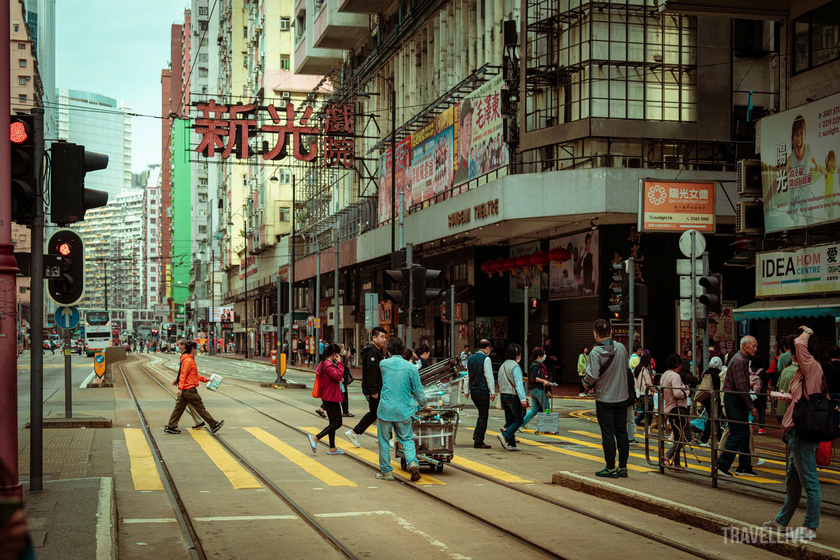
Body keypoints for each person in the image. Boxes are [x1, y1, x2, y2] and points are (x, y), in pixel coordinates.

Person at [763, 327, 826, 540]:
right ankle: (781, 521)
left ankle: (810, 527)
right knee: (793, 480)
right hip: (794, 432)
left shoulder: (811, 366)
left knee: (809, 481)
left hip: (801, 433)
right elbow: (803, 398)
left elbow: (800, 344)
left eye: (793, 350)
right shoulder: (804, 372)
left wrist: (807, 331)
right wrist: (787, 397)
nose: (791, 353)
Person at [375, 337, 430, 481]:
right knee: (407, 440)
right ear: (404, 352)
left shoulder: (383, 364)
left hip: (386, 409)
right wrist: (424, 404)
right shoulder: (411, 368)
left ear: (388, 351)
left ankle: (386, 472)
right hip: (404, 409)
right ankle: (412, 462)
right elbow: (418, 391)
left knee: (384, 441)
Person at [583, 319, 630, 478]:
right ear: (611, 332)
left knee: (608, 434)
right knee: (622, 432)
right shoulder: (621, 348)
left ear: (595, 335)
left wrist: (584, 382)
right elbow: (625, 367)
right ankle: (623, 468)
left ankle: (610, 467)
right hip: (622, 397)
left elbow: (592, 376)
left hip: (604, 399)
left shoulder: (595, 353)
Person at [716, 335, 760, 477]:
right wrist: (752, 406)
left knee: (744, 433)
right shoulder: (740, 361)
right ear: (744, 346)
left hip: (735, 399)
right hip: (734, 400)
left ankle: (744, 466)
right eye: (753, 346)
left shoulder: (741, 359)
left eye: (756, 346)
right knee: (738, 433)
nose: (755, 348)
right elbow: (741, 387)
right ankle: (722, 465)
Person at [164, 342, 224, 434]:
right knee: (200, 408)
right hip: (189, 390)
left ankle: (171, 426)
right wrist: (180, 388)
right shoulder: (188, 361)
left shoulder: (189, 360)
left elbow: (194, 374)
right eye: (195, 349)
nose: (196, 351)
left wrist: (205, 379)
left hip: (186, 389)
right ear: (192, 349)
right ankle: (213, 424)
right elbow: (183, 375)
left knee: (179, 408)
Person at [344, 327, 388, 447]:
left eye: (385, 337)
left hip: (375, 389)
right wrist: (374, 390)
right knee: (381, 413)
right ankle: (355, 432)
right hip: (373, 389)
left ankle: (357, 433)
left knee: (376, 413)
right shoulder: (373, 352)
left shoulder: (377, 351)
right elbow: (372, 372)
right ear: (374, 338)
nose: (384, 340)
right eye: (381, 337)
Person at [307, 344, 345, 455]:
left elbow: (334, 376)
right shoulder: (329, 365)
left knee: (332, 422)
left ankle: (332, 448)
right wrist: (340, 363)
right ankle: (316, 438)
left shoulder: (323, 363)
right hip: (331, 396)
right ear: (334, 354)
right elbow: (338, 376)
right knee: (338, 423)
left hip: (327, 396)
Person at [464, 339, 496, 448]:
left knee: (481, 414)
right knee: (483, 415)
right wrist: (492, 392)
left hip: (473, 391)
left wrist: (466, 390)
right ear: (487, 348)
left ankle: (477, 433)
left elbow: (467, 375)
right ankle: (478, 439)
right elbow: (489, 376)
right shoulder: (486, 359)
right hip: (482, 391)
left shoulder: (470, 358)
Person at [660, 354, 689, 470]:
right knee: (686, 436)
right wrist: (687, 392)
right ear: (679, 365)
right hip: (677, 410)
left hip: (668, 408)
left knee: (677, 436)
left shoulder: (664, 375)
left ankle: (676, 464)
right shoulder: (675, 376)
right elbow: (677, 393)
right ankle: (667, 455)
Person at [497, 344, 528, 451]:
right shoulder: (515, 366)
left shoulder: (503, 365)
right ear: (517, 355)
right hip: (513, 395)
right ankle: (505, 435)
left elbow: (500, 381)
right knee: (519, 420)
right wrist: (523, 399)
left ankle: (511, 444)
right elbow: (518, 383)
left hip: (503, 394)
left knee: (510, 419)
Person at [522, 347, 552, 430]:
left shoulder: (532, 364)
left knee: (534, 409)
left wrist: (543, 376)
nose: (544, 357)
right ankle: (547, 427)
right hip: (539, 390)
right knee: (546, 408)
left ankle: (522, 424)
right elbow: (534, 377)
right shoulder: (536, 365)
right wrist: (544, 381)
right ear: (539, 356)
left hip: (533, 390)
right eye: (543, 355)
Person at [699, 357, 723, 446]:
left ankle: (720, 439)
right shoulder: (719, 374)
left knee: (713, 418)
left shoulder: (706, 372)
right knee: (713, 419)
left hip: (706, 398)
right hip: (716, 400)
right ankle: (704, 440)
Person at [775, 341, 798, 422]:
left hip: (786, 411)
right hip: (797, 412)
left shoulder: (785, 370)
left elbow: (779, 368)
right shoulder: (805, 371)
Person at [634, 353, 656, 427]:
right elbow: (648, 383)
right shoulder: (645, 370)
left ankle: (645, 427)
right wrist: (655, 390)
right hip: (646, 393)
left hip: (638, 393)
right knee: (648, 411)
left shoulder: (636, 369)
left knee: (646, 411)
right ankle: (646, 427)